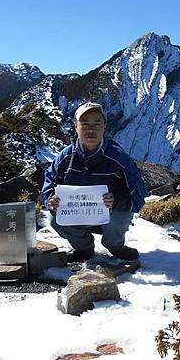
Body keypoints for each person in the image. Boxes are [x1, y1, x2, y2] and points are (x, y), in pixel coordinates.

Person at [41, 102, 147, 262]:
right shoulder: (65, 157)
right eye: (84, 124)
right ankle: (84, 248)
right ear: (76, 127)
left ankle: (115, 246)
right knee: (55, 218)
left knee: (120, 217)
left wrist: (116, 200)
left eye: (96, 124)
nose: (90, 129)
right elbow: (49, 180)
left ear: (104, 127)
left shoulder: (119, 158)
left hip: (110, 215)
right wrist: (51, 199)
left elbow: (138, 192)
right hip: (78, 214)